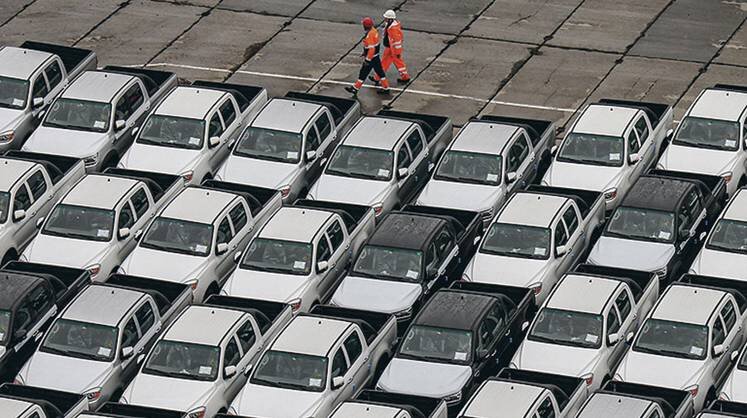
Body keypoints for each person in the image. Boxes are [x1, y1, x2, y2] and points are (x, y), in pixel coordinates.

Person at [345, 17, 390, 96]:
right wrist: (365, 52)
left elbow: (371, 49)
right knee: (380, 72)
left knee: (363, 73)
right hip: (375, 57)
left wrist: (367, 60)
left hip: (371, 58)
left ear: (365, 26)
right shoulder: (373, 31)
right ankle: (386, 88)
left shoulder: (369, 35)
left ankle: (355, 88)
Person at [372, 10, 410, 85]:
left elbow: (397, 41)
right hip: (391, 48)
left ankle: (377, 78)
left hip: (392, 49)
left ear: (390, 19)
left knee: (387, 63)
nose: (385, 19)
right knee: (391, 63)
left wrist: (397, 52)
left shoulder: (393, 28)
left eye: (386, 18)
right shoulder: (390, 25)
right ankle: (405, 77)